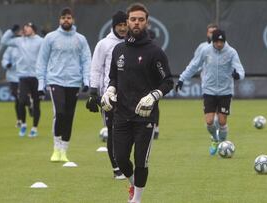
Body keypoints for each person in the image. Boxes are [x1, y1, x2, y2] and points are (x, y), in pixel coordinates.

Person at [101, 3, 173, 203]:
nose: (136, 23)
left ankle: (137, 199)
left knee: (141, 160)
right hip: (121, 114)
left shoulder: (155, 52)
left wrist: (155, 95)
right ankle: (133, 184)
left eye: (141, 19)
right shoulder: (118, 49)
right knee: (121, 159)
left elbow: (168, 81)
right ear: (127, 22)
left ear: (146, 22)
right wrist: (110, 90)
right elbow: (113, 77)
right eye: (133, 19)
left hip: (145, 116)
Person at [175, 29, 245, 155]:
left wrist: (238, 75)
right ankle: (214, 138)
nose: (219, 44)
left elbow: (240, 69)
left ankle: (222, 145)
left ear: (224, 41)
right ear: (212, 41)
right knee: (209, 121)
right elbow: (194, 65)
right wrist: (182, 78)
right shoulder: (205, 51)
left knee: (222, 122)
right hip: (209, 90)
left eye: (221, 42)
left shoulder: (231, 52)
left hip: (225, 91)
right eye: (216, 41)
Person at [36, 7, 91, 162]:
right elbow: (42, 60)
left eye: (69, 17)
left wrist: (86, 80)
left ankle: (64, 151)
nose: (66, 20)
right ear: (59, 20)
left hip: (74, 81)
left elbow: (86, 60)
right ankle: (56, 148)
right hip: (55, 80)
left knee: (69, 115)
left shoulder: (80, 39)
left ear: (73, 20)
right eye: (63, 18)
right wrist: (41, 84)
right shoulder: (50, 38)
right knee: (59, 113)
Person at [86, 11, 128, 179]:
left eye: (125, 25)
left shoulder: (132, 43)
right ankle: (116, 167)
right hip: (108, 96)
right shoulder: (103, 44)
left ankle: (124, 161)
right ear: (114, 26)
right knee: (112, 131)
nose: (123, 28)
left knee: (128, 132)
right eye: (120, 25)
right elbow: (95, 68)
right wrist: (93, 91)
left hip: (129, 95)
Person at [1, 22, 43, 137]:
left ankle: (34, 128)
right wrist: (11, 31)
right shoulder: (20, 41)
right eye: (24, 27)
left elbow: (49, 51)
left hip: (36, 77)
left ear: (33, 29)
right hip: (23, 77)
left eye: (27, 27)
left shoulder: (40, 41)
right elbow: (3, 41)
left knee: (37, 104)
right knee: (21, 101)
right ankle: (23, 124)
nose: (25, 29)